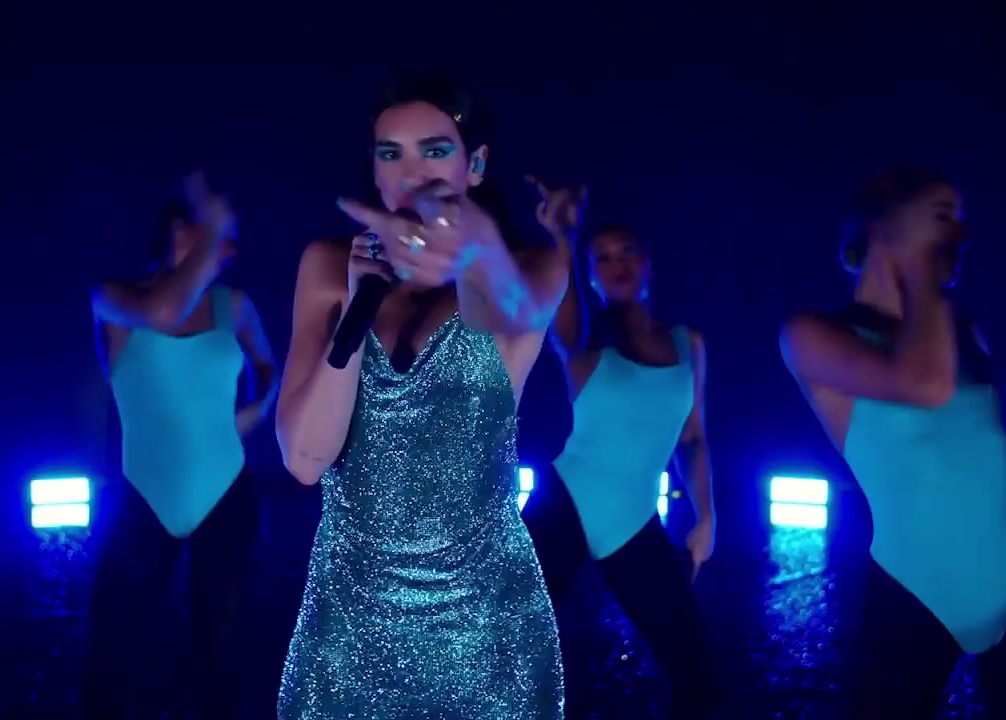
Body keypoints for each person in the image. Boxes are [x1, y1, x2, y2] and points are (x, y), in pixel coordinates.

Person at [274, 77, 568, 719]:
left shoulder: (530, 268)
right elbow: (303, 458)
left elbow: (516, 310)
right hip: (346, 640)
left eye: (435, 151)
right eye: (392, 153)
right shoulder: (328, 265)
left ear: (475, 164)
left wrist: (472, 244)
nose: (412, 174)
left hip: (490, 644)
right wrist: (359, 307)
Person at [780, 165, 1006, 719]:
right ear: (882, 229)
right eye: (942, 217)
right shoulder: (814, 335)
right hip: (915, 587)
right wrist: (923, 275)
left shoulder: (961, 328)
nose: (960, 235)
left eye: (960, 222)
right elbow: (924, 386)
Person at [519, 180, 717, 720]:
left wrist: (706, 517)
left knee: (696, 671)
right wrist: (564, 235)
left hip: (633, 519)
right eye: (602, 258)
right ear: (590, 276)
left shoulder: (688, 343)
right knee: (507, 650)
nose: (617, 264)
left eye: (627, 251)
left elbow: (693, 438)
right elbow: (566, 326)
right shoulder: (586, 339)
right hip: (564, 503)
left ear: (648, 262)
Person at [84, 175, 279, 719]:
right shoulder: (116, 299)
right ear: (175, 232)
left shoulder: (234, 305)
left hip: (227, 491)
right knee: (113, 643)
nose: (225, 245)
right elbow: (165, 313)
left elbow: (267, 364)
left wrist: (257, 409)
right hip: (145, 493)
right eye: (210, 231)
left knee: (221, 650)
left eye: (227, 236)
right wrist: (213, 232)